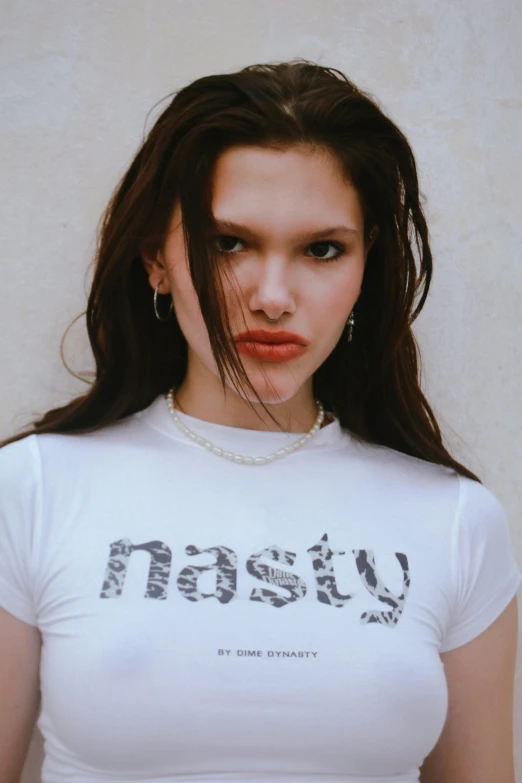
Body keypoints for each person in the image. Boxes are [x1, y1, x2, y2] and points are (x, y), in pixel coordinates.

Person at [0, 58, 520, 783]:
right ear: (157, 258)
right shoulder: (31, 489)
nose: (272, 297)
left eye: (322, 249)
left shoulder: (459, 521)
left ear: (366, 265)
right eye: (229, 243)